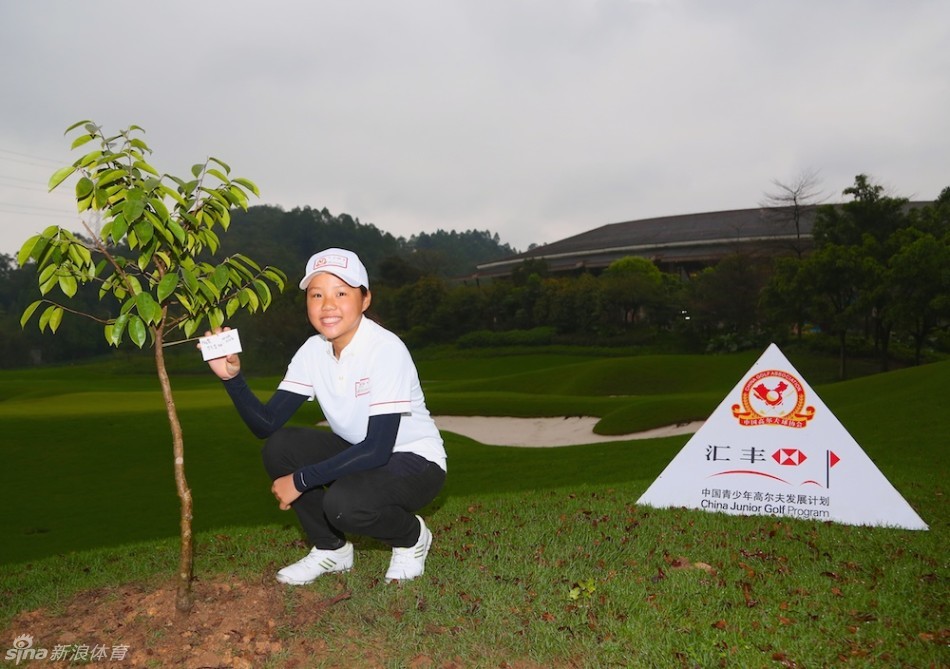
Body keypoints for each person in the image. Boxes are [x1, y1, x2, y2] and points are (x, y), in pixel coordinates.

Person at [204, 247, 446, 585]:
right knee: (280, 446)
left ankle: (411, 538)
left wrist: (300, 481)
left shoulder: (385, 349)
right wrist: (232, 379)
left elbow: (377, 448)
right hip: (360, 451)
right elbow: (266, 424)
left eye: (341, 293)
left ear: (365, 300)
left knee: (343, 505)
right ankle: (331, 549)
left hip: (415, 460)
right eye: (317, 294)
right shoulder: (312, 350)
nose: (327, 304)